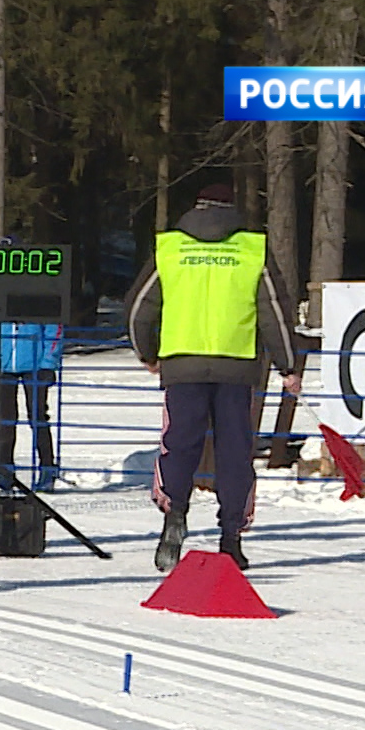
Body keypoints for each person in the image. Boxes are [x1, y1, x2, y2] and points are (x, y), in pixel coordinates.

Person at [127, 183, 300, 572]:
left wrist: (147, 354)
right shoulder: (251, 250)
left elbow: (139, 307)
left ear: (196, 207)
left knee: (179, 444)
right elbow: (275, 310)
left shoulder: (169, 249)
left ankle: (174, 517)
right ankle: (231, 539)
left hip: (182, 364)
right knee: (235, 451)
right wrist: (288, 366)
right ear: (231, 209)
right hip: (236, 365)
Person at [0, 318, 63, 491]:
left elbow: (53, 328)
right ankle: (4, 469)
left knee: (37, 416)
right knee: (4, 420)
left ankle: (47, 468)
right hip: (1, 365)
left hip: (35, 365)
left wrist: (48, 363)